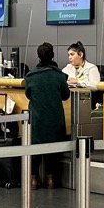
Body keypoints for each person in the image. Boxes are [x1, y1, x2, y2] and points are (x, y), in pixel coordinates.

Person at [23, 42, 69, 189]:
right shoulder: (59, 76)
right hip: (54, 118)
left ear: (38, 56)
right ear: (53, 55)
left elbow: (28, 94)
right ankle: (50, 179)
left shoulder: (31, 76)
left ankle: (33, 179)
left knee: (35, 147)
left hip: (37, 118)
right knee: (53, 148)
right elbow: (66, 95)